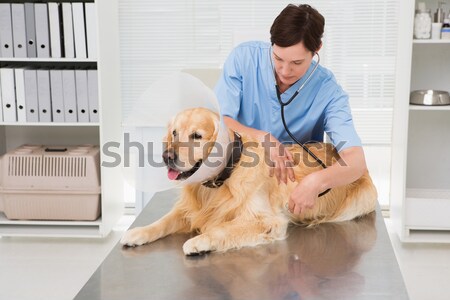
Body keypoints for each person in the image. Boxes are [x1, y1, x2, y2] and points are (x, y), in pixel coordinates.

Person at [214, 4, 368, 215]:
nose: (285, 71)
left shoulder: (328, 91)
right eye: (278, 58)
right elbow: (220, 121)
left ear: (317, 50)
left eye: (297, 62)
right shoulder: (243, 59)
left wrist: (316, 182)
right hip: (236, 178)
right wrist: (263, 138)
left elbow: (356, 161)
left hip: (286, 192)